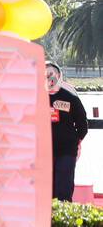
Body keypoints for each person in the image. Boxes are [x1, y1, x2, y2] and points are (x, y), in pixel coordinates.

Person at [46, 61, 88, 202]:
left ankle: (63, 219)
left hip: (66, 151)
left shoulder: (70, 98)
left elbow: (83, 124)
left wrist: (76, 141)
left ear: (58, 75)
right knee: (46, 189)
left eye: (50, 75)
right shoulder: (36, 98)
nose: (48, 79)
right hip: (44, 152)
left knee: (63, 189)